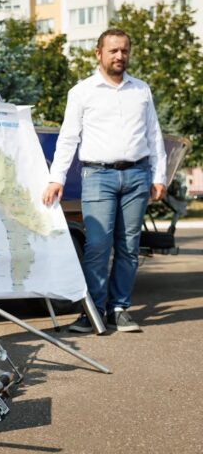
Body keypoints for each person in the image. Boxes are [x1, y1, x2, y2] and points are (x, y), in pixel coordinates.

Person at [42, 28, 167, 333]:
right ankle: (93, 311)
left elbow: (154, 135)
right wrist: (55, 178)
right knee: (98, 245)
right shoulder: (82, 92)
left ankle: (120, 308)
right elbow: (68, 138)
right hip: (98, 176)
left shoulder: (141, 90)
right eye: (113, 51)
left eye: (124, 50)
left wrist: (159, 175)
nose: (119, 56)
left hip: (137, 175)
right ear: (98, 53)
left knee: (128, 247)